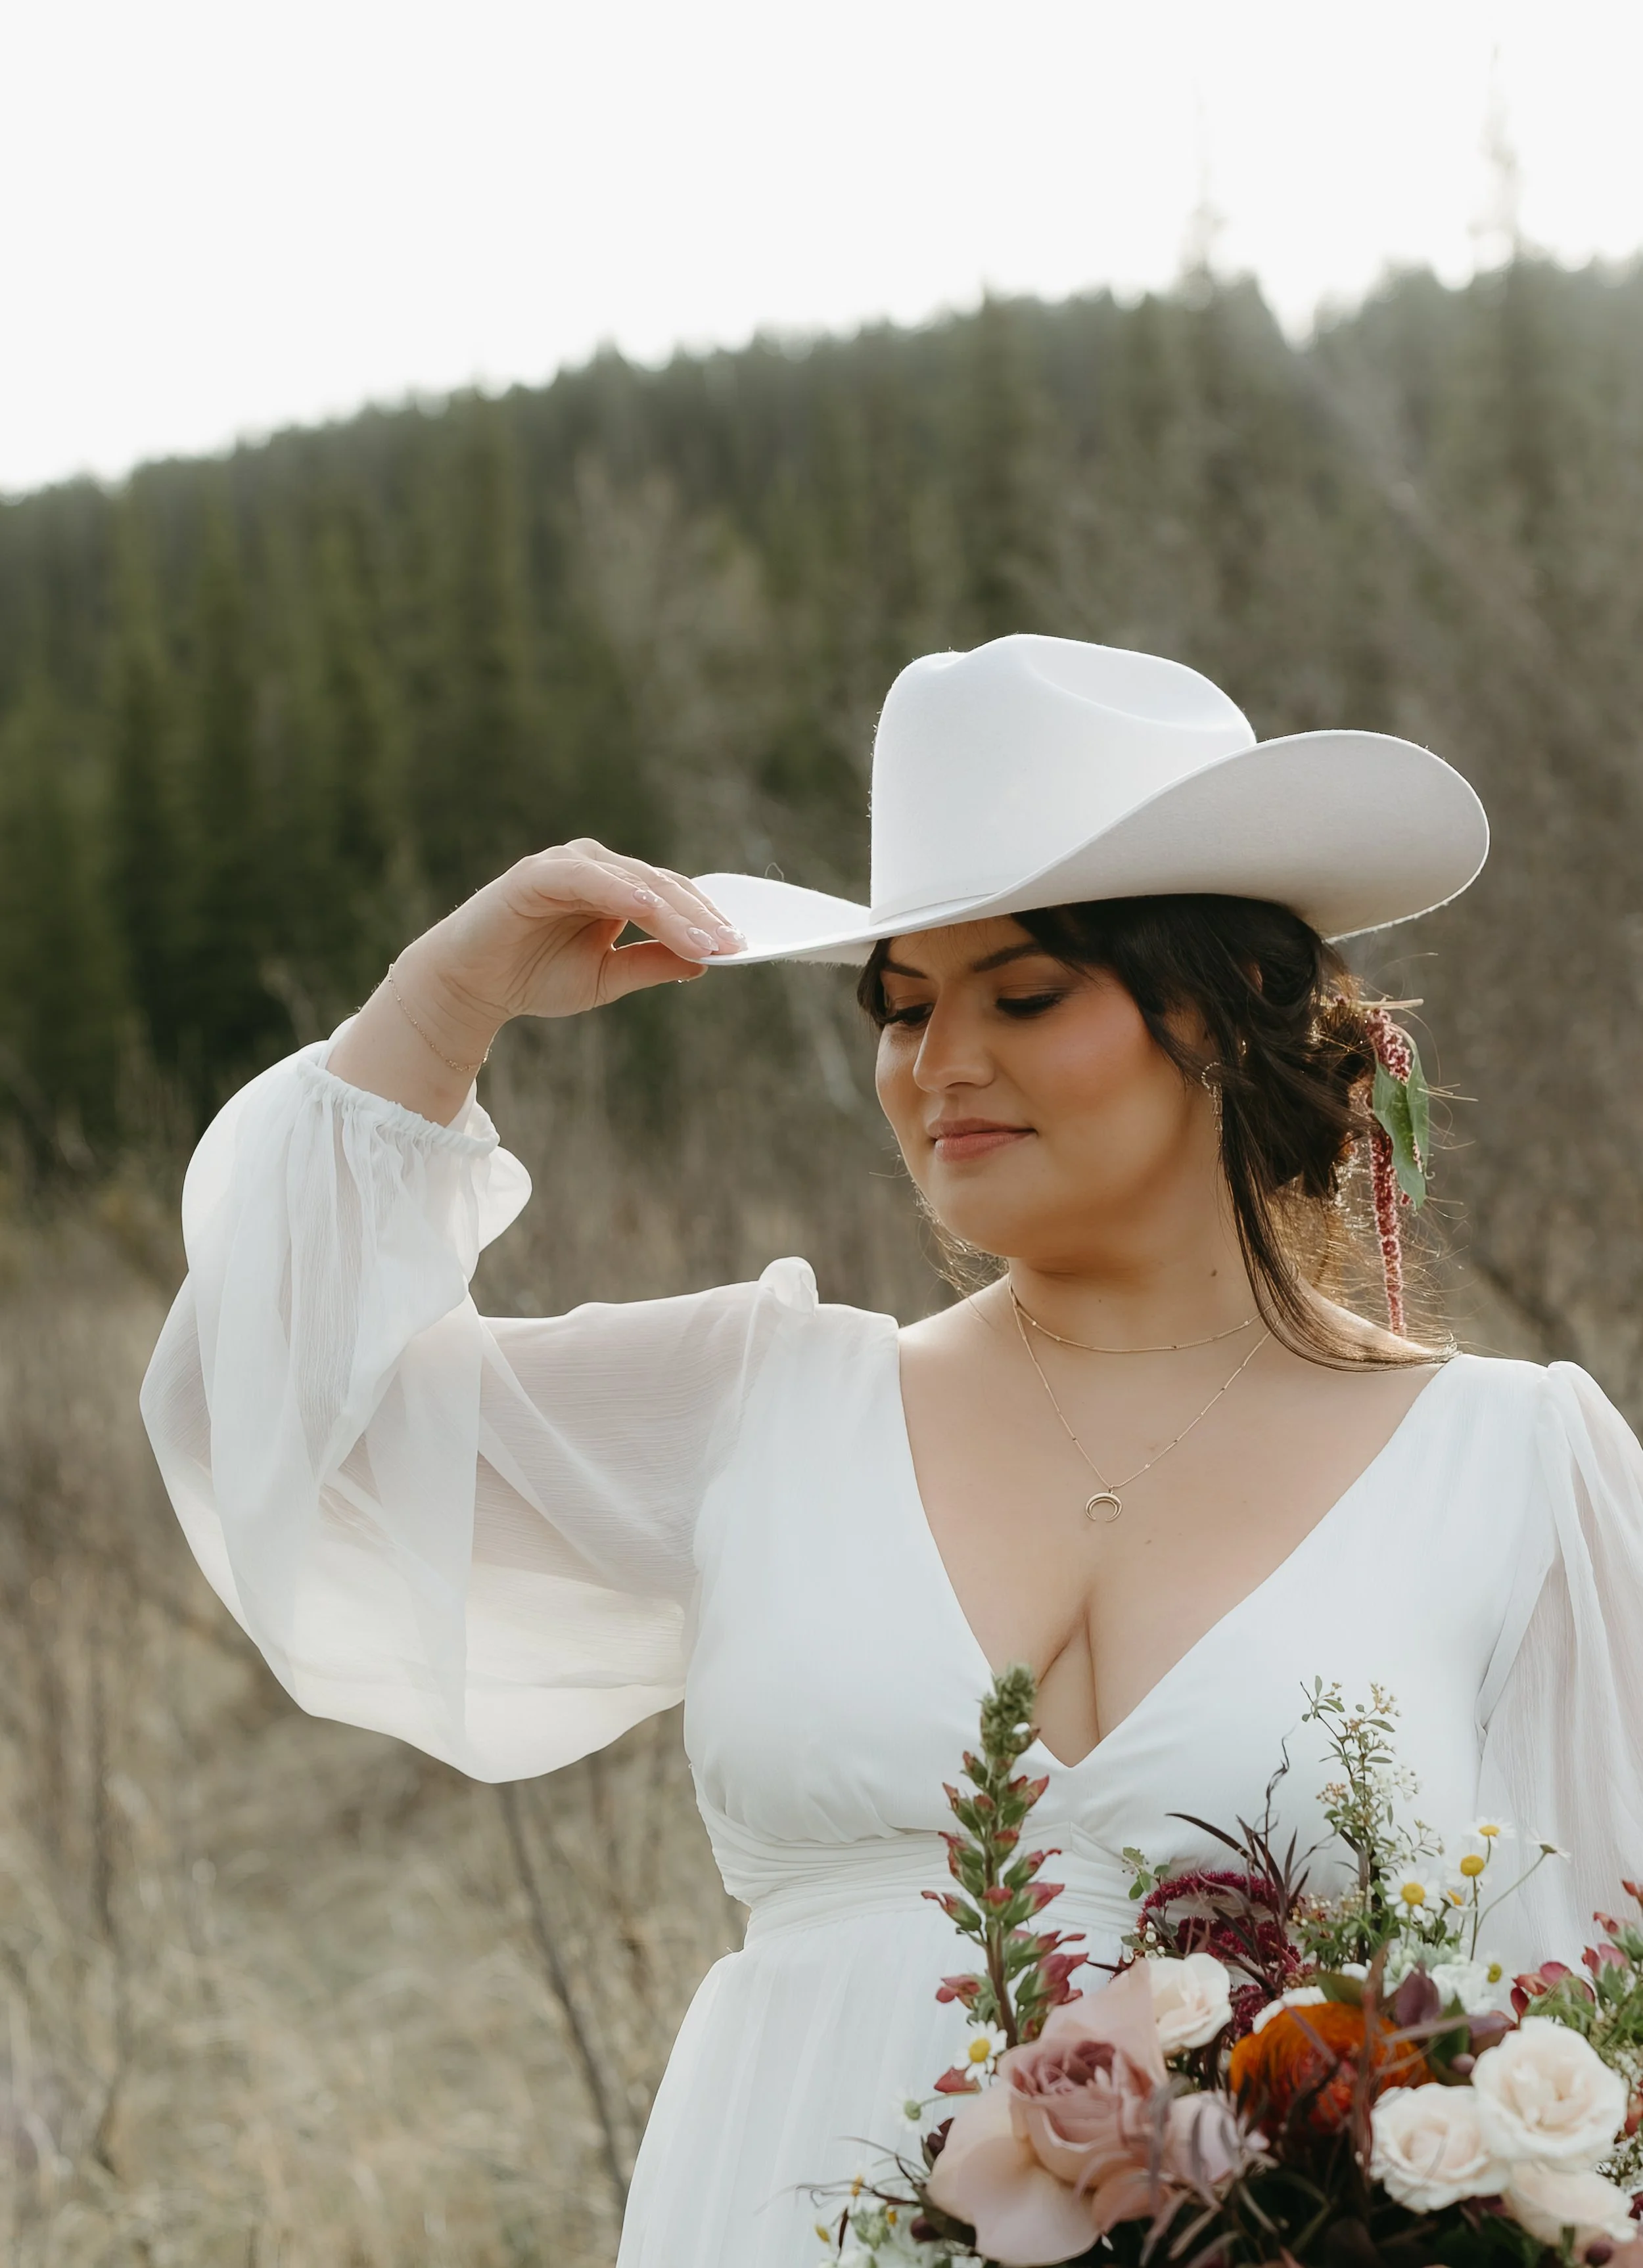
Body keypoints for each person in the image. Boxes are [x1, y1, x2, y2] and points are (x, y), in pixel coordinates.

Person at [141, 635, 1643, 2267]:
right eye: (902, 1006)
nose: (939, 1067)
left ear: (1222, 1013)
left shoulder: (1514, 1466)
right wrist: (444, 1003)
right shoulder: (759, 1405)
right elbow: (266, 1424)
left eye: (1021, 993)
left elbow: (1599, 2028)